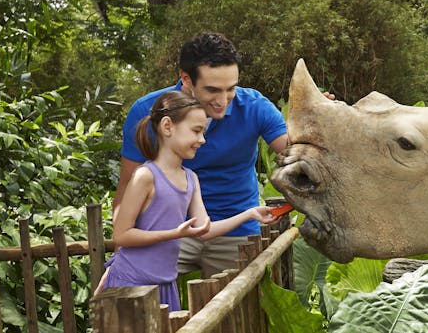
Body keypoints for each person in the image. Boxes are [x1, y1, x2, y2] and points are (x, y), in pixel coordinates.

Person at [116, 32, 293, 278]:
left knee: (239, 312)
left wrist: (316, 123)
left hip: (236, 230)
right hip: (169, 232)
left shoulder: (254, 107)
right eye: (213, 90)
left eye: (230, 89)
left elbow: (293, 154)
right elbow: (127, 186)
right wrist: (122, 250)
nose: (223, 101)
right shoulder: (147, 111)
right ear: (186, 79)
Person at [98, 91, 277, 309]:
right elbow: (122, 234)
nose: (202, 140)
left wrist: (249, 214)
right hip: (132, 282)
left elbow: (204, 230)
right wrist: (175, 234)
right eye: (196, 131)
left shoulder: (191, 179)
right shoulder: (145, 176)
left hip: (165, 284)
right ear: (167, 127)